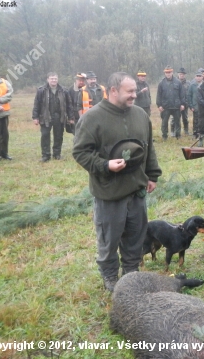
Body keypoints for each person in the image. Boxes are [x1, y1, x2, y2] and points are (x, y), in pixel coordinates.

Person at [73, 72, 162, 292]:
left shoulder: (140, 115)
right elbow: (80, 152)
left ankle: (131, 274)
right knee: (109, 239)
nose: (135, 94)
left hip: (136, 190)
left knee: (135, 236)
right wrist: (105, 165)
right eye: (130, 91)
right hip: (109, 193)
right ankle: (110, 277)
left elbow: (148, 147)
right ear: (113, 91)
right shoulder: (92, 118)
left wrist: (152, 175)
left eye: (135, 90)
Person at [32, 72, 74, 161]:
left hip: (59, 117)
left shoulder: (64, 90)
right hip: (45, 117)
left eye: (55, 78)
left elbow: (69, 105)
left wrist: (71, 117)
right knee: (45, 136)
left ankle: (57, 154)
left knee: (58, 136)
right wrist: (35, 117)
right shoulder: (41, 90)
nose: (53, 80)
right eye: (52, 78)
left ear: (57, 79)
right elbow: (37, 104)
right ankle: (45, 156)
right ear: (48, 79)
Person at [156, 66, 185, 141]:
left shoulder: (178, 82)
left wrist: (182, 104)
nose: (168, 74)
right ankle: (164, 136)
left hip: (176, 106)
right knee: (164, 122)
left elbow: (182, 94)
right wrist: (159, 105)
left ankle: (178, 135)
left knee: (177, 122)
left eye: (169, 72)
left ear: (172, 72)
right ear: (164, 73)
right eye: (166, 72)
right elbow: (158, 95)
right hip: (165, 106)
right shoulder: (161, 83)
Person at [187, 70, 204, 138]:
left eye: (200, 76)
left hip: (203, 107)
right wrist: (191, 106)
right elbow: (189, 96)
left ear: (202, 77)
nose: (198, 77)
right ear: (195, 77)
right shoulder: (192, 85)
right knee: (195, 120)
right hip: (195, 106)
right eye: (197, 76)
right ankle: (195, 133)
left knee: (203, 120)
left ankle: (202, 133)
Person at [177, 68, 190, 135]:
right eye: (180, 74)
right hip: (176, 105)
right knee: (175, 119)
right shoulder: (175, 82)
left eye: (183, 74)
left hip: (185, 104)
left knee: (185, 118)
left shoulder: (188, 84)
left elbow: (189, 94)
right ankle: (175, 131)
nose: (181, 75)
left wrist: (186, 103)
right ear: (178, 75)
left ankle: (186, 130)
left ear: (185, 75)